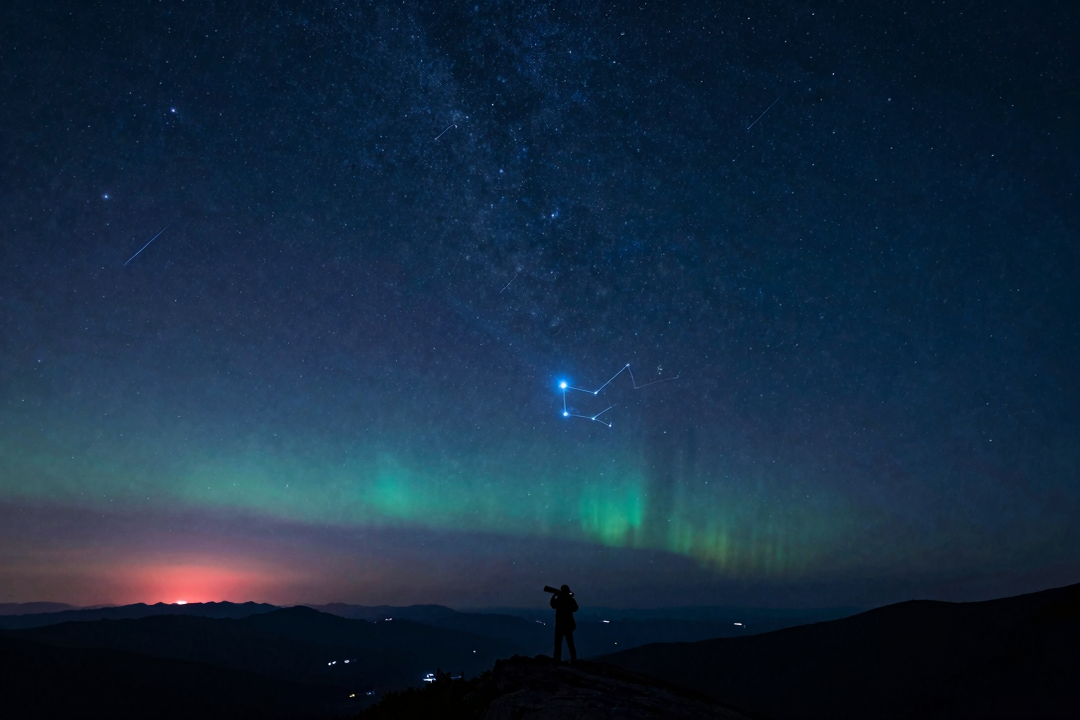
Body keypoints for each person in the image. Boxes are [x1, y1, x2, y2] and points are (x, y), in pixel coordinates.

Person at [550, 584, 578, 664]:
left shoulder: (560, 599)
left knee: (558, 644)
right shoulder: (570, 599)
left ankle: (556, 659)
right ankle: (573, 660)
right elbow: (575, 608)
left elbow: (553, 605)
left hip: (560, 625)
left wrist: (554, 595)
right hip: (569, 625)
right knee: (570, 643)